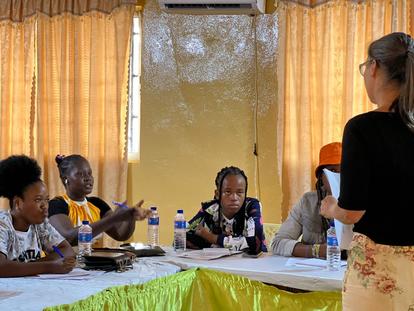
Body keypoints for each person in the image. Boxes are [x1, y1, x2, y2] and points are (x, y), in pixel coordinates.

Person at [320, 32, 414, 310]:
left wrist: (331, 208)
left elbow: (352, 212)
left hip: (378, 269)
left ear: (373, 67)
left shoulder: (362, 128)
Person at [48, 154, 151, 246]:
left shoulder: (97, 204)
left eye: (89, 173)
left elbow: (120, 235)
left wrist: (130, 218)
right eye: (80, 174)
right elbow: (69, 238)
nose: (88, 178)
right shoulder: (56, 204)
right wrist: (113, 219)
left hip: (93, 263)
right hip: (67, 264)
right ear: (65, 179)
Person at [0, 155, 76, 277]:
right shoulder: (2, 224)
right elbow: (1, 267)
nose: (45, 206)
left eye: (47, 200)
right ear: (18, 203)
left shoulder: (40, 224)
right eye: (38, 200)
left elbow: (67, 251)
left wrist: (33, 265)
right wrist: (49, 266)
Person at [271, 142, 341, 259]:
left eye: (345, 170)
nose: (339, 177)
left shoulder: (362, 203)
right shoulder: (307, 202)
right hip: (309, 274)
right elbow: (278, 243)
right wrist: (317, 251)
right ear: (321, 177)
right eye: (332, 171)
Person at [186, 166, 267, 253]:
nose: (234, 198)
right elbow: (184, 237)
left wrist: (212, 238)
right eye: (228, 192)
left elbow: (256, 244)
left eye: (240, 192)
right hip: (219, 263)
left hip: (251, 264)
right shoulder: (210, 209)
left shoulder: (252, 207)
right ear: (217, 194)